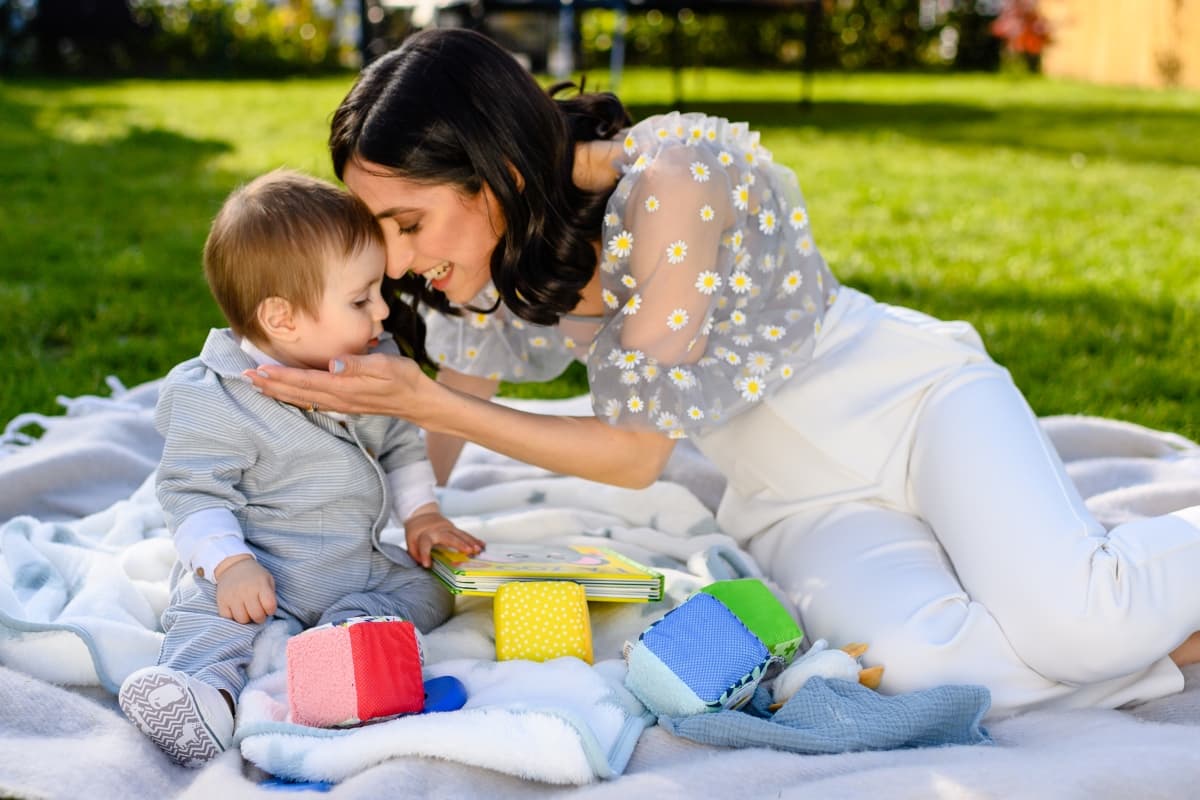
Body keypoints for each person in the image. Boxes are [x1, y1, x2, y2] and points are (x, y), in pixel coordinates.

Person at [246, 29, 1200, 719]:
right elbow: (442, 431)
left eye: (408, 224)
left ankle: (1107, 607)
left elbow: (629, 455)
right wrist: (336, 541)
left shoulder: (672, 181)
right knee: (913, 673)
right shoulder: (488, 264)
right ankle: (1157, 637)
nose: (401, 262)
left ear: (497, 170)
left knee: (1073, 624)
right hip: (794, 502)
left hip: (915, 407)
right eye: (381, 234)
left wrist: (408, 393)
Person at [119, 169, 484, 767]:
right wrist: (230, 564)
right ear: (282, 320)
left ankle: (340, 644)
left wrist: (423, 516)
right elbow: (191, 491)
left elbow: (401, 444)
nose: (384, 313)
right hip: (261, 574)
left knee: (429, 591)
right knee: (208, 610)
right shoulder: (216, 395)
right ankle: (200, 694)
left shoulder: (368, 365)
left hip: (355, 568)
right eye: (362, 300)